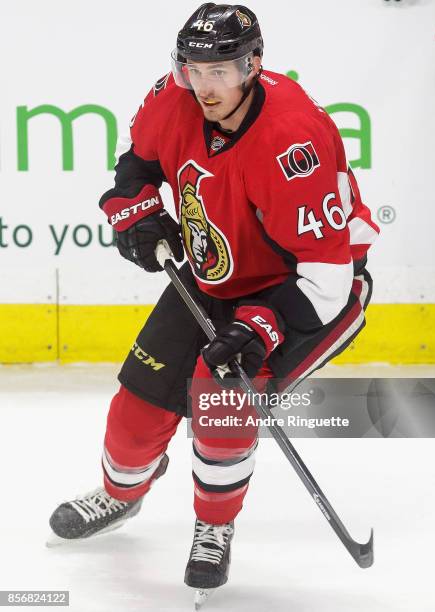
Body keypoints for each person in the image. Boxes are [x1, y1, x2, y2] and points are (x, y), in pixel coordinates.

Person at [49, 1, 379, 602]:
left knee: (220, 403)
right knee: (135, 412)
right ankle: (121, 494)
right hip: (215, 273)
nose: (203, 85)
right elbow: (137, 168)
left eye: (220, 70)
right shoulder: (171, 96)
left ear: (253, 64)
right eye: (192, 69)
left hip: (305, 290)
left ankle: (213, 528)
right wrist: (137, 213)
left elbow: (328, 278)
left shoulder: (291, 140)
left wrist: (260, 331)